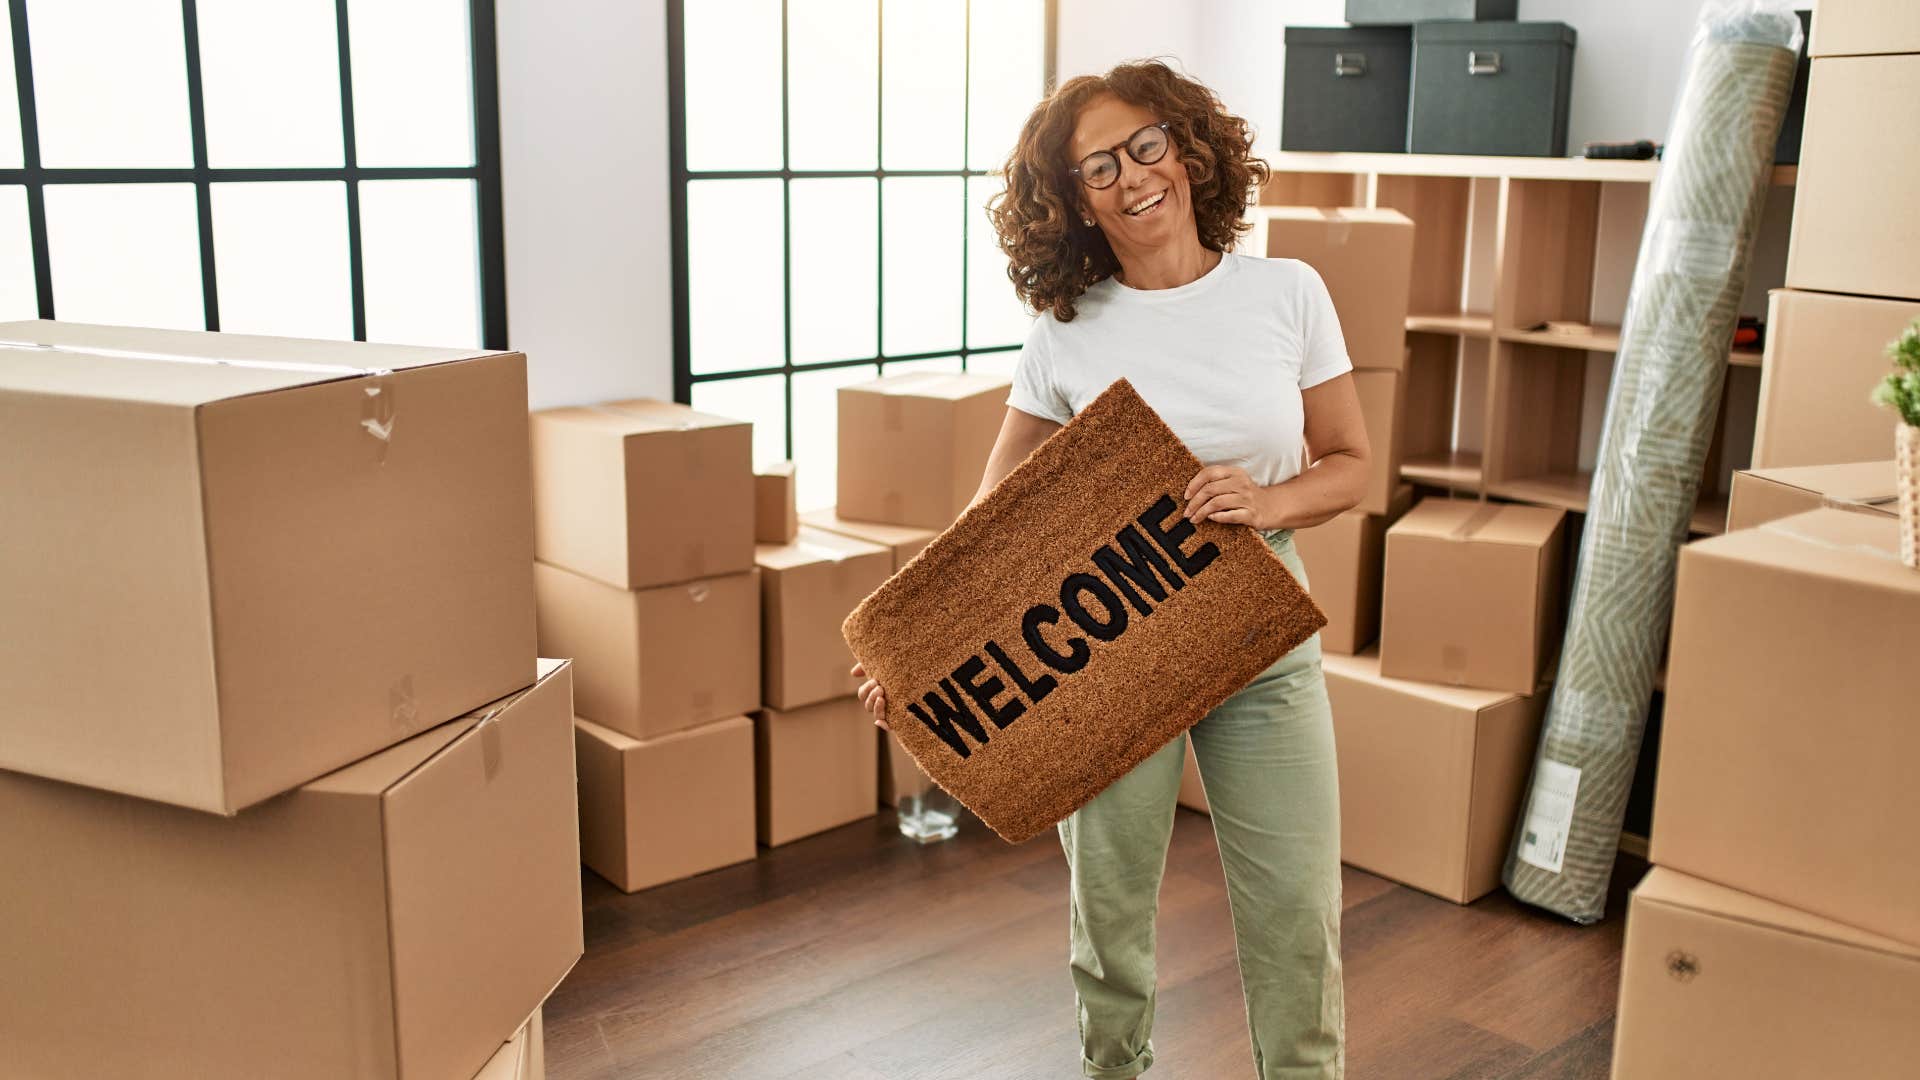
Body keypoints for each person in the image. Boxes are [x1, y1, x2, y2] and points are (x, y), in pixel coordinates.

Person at [851, 59, 1366, 1080]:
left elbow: (1353, 463)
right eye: (1099, 167)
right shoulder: (1068, 328)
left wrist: (1265, 503)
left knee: (1298, 913)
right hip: (1109, 644)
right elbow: (990, 531)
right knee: (1113, 920)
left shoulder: (1287, 292)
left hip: (1260, 621)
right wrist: (915, 665)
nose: (1134, 176)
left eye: (1147, 146)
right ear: (1072, 202)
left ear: (1188, 149)